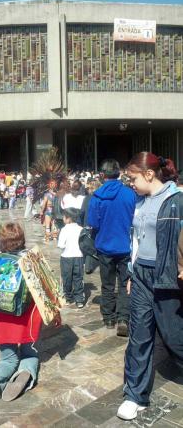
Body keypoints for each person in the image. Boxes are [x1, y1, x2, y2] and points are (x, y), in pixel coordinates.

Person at [117, 152, 183, 421]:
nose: (130, 183)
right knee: (139, 335)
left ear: (149, 174)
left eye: (133, 178)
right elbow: (137, 239)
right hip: (142, 275)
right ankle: (135, 394)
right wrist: (133, 272)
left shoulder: (176, 199)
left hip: (168, 276)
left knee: (173, 335)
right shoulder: (140, 202)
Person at [0, 223, 44, 411]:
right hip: (27, 318)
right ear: (22, 240)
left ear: (2, 243)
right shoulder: (31, 260)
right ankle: (25, 372)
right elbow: (44, 290)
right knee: (30, 353)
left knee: (8, 359)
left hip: (2, 318)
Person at [87, 159, 135, 336]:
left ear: (102, 175)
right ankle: (123, 318)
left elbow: (93, 223)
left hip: (104, 246)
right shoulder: (130, 194)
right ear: (119, 173)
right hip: (125, 246)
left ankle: (108, 318)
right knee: (124, 284)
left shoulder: (97, 196)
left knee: (107, 285)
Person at [58, 208, 85, 308]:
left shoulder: (64, 229)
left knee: (67, 278)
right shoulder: (81, 229)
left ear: (68, 219)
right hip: (79, 256)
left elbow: (61, 245)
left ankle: (68, 298)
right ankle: (79, 300)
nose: (63, 219)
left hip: (66, 257)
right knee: (78, 278)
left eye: (64, 217)